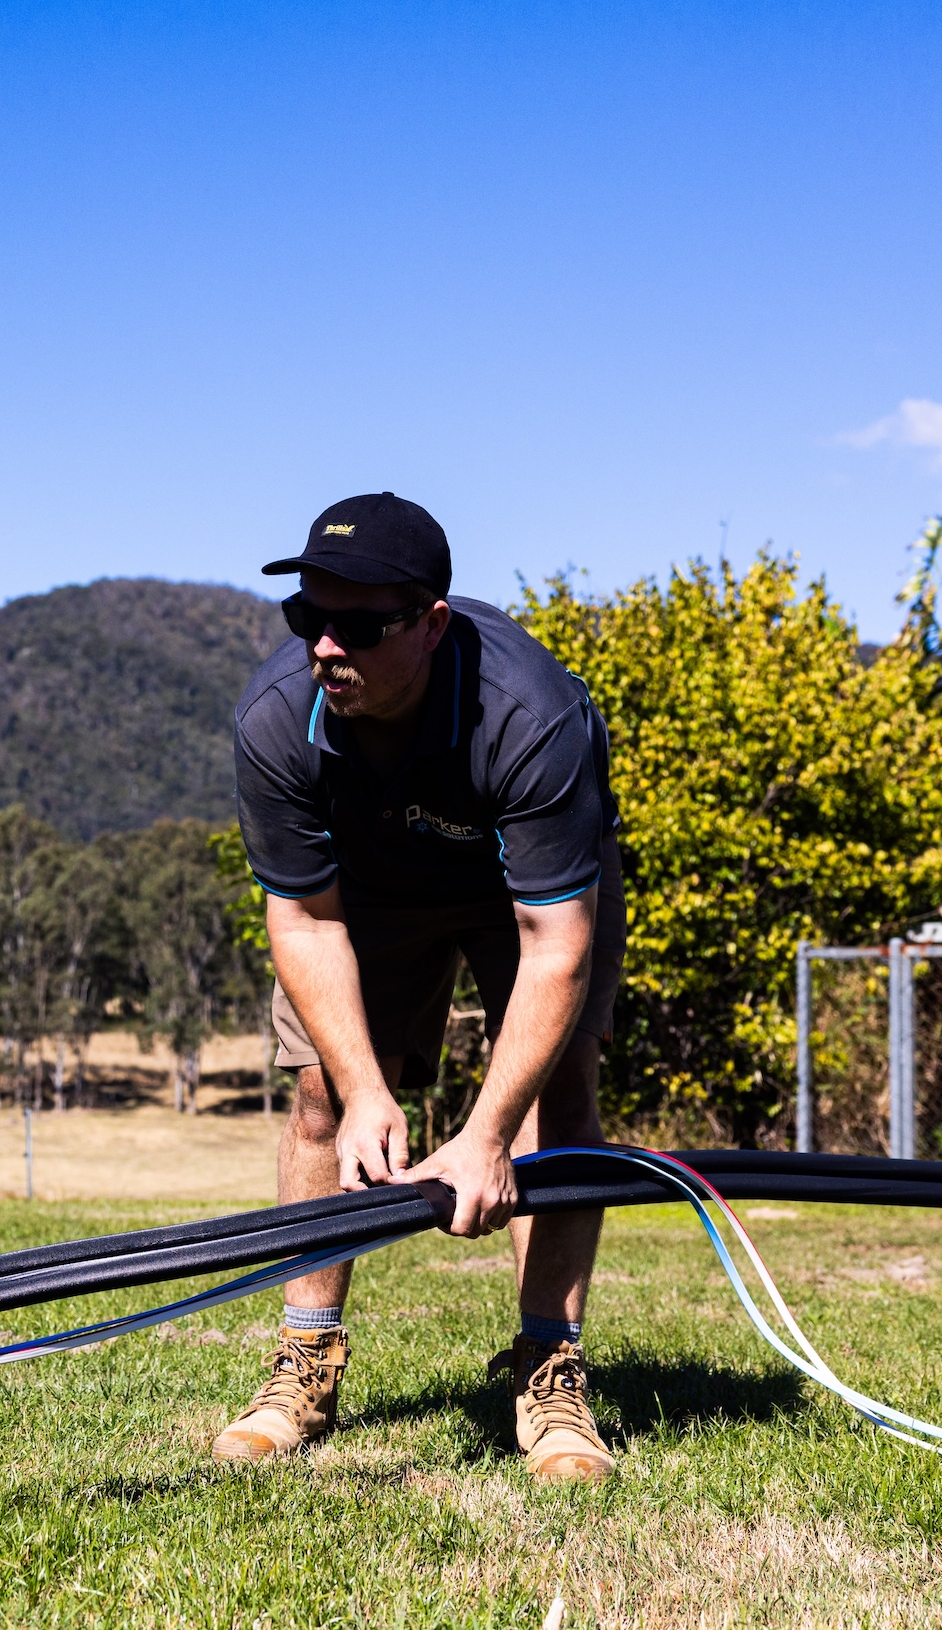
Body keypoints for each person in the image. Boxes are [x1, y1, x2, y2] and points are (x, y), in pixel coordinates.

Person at [213, 491, 626, 1482]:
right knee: (318, 1090)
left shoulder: (532, 717)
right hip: (365, 891)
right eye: (308, 618)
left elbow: (554, 944)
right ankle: (305, 1357)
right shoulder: (276, 722)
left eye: (359, 624)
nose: (325, 645)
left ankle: (549, 1369)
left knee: (553, 1101)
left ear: (431, 624)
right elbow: (304, 918)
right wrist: (362, 1090)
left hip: (521, 895)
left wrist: (484, 1135)